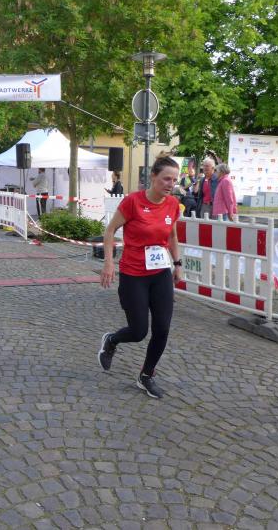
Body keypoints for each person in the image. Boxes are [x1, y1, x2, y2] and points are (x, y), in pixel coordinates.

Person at [98, 155, 182, 399]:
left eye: (174, 180)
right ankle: (112, 340)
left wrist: (177, 264)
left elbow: (172, 236)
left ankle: (146, 376)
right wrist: (108, 263)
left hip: (160, 273)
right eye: (166, 179)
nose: (170, 184)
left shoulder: (172, 204)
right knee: (138, 331)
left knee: (162, 328)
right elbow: (110, 230)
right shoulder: (133, 202)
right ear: (153, 177)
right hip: (134, 274)